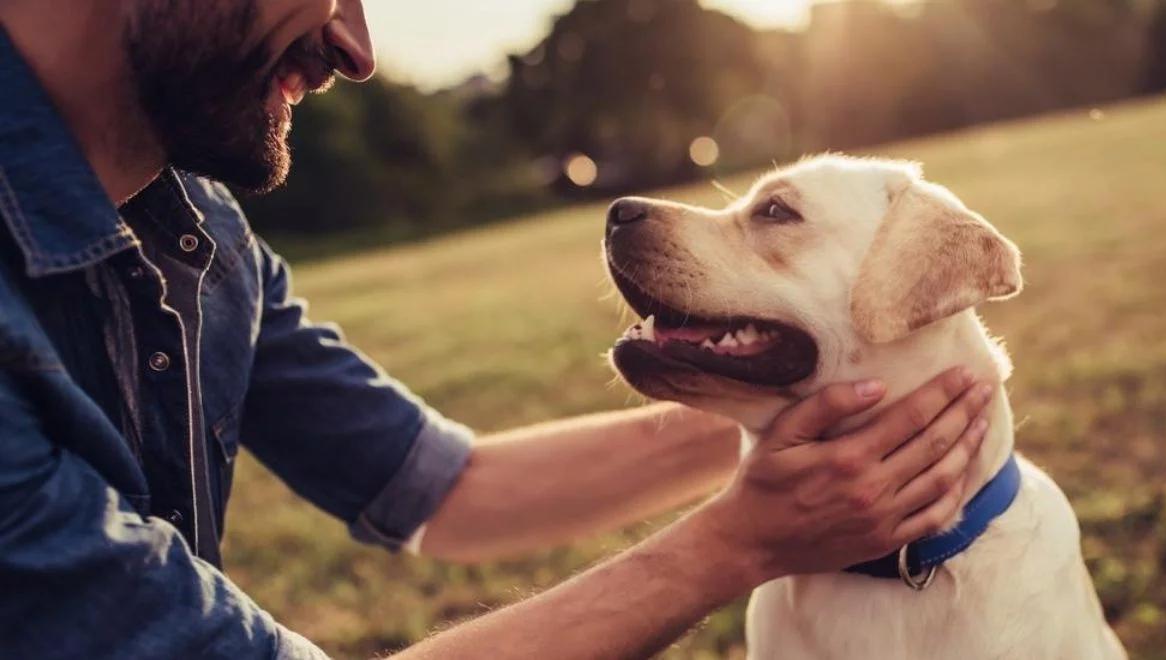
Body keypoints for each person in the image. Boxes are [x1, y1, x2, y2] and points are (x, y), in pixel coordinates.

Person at [0, 2, 994, 658]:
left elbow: (449, 489)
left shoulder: (200, 235)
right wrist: (730, 546)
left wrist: (832, 409)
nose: (356, 47)